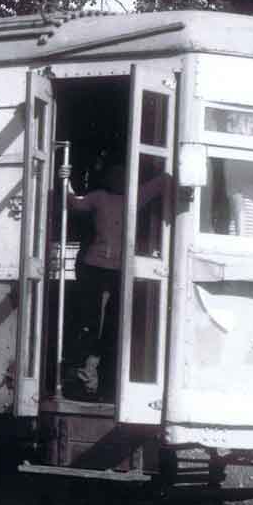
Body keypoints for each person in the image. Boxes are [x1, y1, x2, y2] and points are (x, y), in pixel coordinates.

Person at [64, 161, 167, 400]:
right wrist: (65, 180)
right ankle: (85, 379)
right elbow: (75, 203)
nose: (118, 178)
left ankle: (94, 378)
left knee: (112, 326)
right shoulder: (99, 197)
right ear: (108, 177)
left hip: (119, 271)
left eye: (123, 174)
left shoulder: (135, 196)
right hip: (95, 268)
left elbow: (161, 182)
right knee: (93, 323)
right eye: (114, 174)